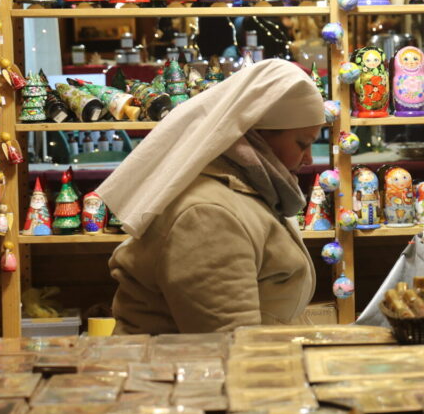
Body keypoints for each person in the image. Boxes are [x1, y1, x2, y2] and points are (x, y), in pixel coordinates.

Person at [97, 59, 325, 334]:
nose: (309, 159)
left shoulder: (250, 191)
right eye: (303, 143)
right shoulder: (208, 215)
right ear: (258, 133)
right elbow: (229, 345)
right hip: (188, 373)